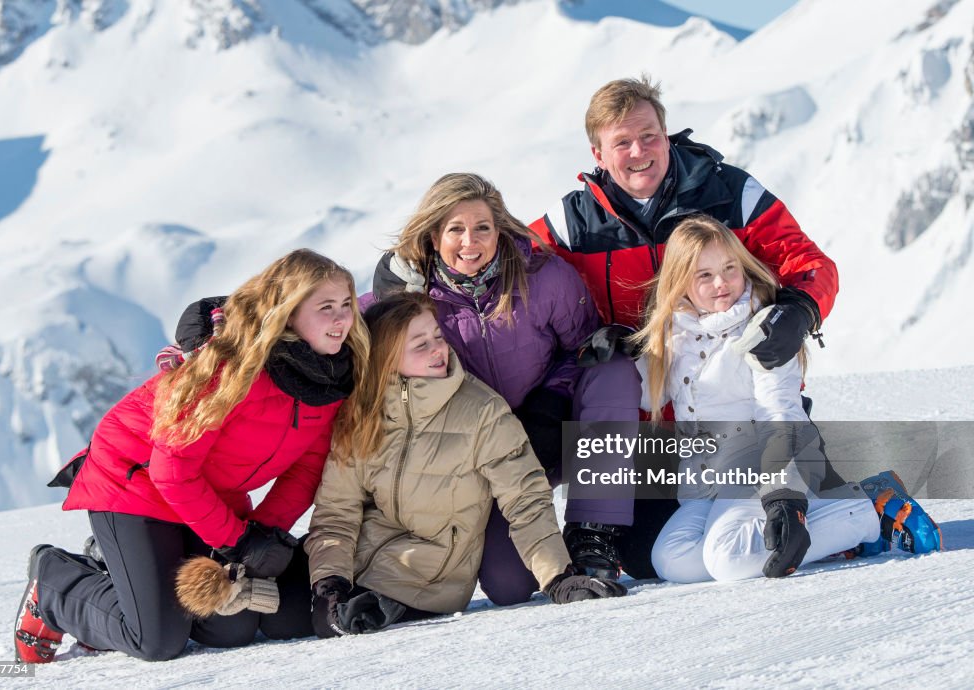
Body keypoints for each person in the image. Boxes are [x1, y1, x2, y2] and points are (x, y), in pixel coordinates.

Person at [528, 75, 840, 579]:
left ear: (666, 133)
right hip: (657, 424)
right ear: (598, 153)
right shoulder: (574, 221)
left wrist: (801, 309)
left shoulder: (729, 192)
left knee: (757, 516)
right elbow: (500, 260)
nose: (639, 151)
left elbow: (808, 261)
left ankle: (837, 508)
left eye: (649, 135)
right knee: (645, 557)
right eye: (622, 142)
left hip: (746, 405)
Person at [14, 249, 369, 663]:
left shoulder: (332, 378)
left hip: (211, 494)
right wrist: (238, 542)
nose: (342, 318)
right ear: (288, 313)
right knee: (156, 639)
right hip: (133, 484)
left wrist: (263, 535)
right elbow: (171, 472)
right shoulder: (232, 369)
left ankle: (126, 573)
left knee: (229, 626)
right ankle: (56, 583)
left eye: (346, 304)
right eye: (325, 307)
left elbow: (308, 468)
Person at [369, 172, 641, 600]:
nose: (470, 242)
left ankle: (593, 533)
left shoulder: (543, 276)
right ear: (433, 234)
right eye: (455, 229)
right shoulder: (411, 299)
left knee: (612, 368)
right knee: (509, 585)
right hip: (488, 454)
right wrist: (236, 319)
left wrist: (551, 402)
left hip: (549, 430)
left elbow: (582, 350)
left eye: (482, 228)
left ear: (500, 229)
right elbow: (333, 323)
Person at [306, 292, 625, 637]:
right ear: (385, 359)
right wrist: (329, 584)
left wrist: (558, 576)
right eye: (420, 345)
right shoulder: (361, 415)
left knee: (328, 627)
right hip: (359, 568)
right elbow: (337, 512)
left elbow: (525, 498)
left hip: (427, 577)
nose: (438, 350)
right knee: (287, 613)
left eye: (437, 337)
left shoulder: (481, 411)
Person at [630, 215, 909, 582]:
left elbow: (779, 411)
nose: (721, 283)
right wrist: (615, 358)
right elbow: (649, 397)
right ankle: (827, 524)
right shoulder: (676, 332)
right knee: (672, 560)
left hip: (756, 471)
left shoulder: (764, 330)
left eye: (730, 268)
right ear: (680, 283)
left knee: (728, 561)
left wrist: (781, 494)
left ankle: (863, 511)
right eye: (704, 275)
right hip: (705, 485)